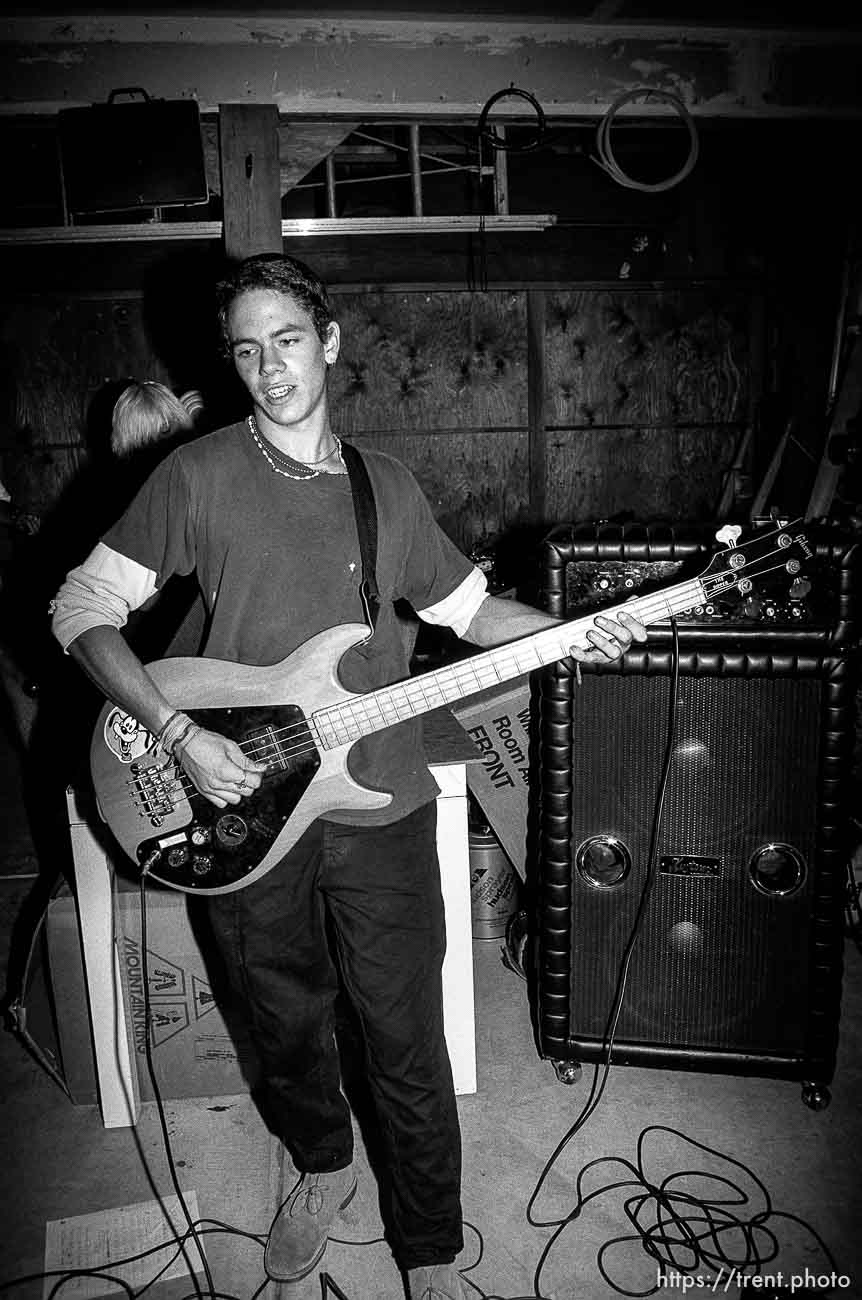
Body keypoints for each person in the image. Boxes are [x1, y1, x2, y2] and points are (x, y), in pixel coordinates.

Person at [49, 253, 647, 1300]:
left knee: (404, 1025)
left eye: (287, 340)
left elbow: (469, 613)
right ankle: (322, 1165)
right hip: (236, 797)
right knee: (282, 1021)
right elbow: (79, 609)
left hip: (381, 795)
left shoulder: (389, 488)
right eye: (247, 349)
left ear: (328, 341)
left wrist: (580, 631)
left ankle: (428, 1244)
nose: (270, 367)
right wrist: (179, 732)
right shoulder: (196, 475)